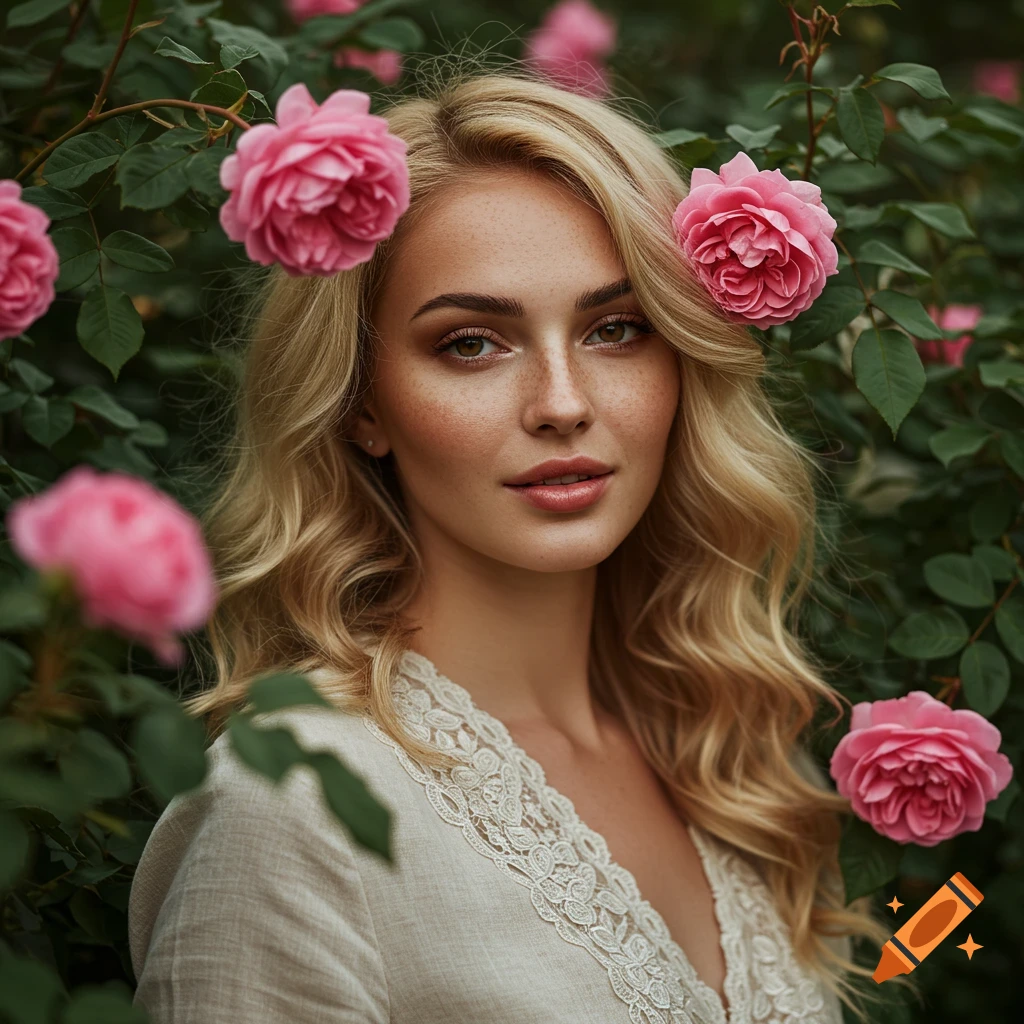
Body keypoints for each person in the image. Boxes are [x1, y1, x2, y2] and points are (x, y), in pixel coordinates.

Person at [127, 64, 896, 1024]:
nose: (563, 403)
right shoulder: (293, 809)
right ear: (363, 403)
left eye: (617, 329)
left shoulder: (717, 755)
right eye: (471, 344)